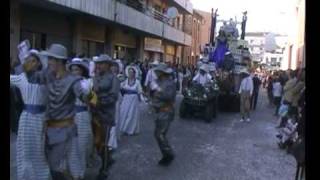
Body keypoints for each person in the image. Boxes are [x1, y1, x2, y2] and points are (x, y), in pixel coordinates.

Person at [24, 44, 94, 180]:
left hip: (66, 130)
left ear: (59, 61)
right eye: (49, 59)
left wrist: (89, 92)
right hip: (50, 130)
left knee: (67, 165)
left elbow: (91, 101)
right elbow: (32, 78)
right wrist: (26, 62)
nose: (49, 62)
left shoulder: (73, 80)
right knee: (53, 166)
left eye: (51, 59)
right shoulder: (48, 75)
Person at [10, 49, 51, 180]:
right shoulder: (22, 78)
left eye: (34, 61)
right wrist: (18, 66)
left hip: (40, 119)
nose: (31, 63)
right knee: (24, 151)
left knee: (39, 152)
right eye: (29, 60)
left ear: (39, 64)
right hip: (26, 118)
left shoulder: (46, 80)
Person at [91, 54, 120, 179]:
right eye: (98, 63)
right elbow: (91, 93)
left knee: (103, 142)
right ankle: (107, 158)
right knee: (96, 143)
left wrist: (99, 101)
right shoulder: (96, 77)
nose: (99, 65)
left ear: (108, 65)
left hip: (106, 115)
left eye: (102, 63)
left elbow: (113, 97)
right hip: (95, 114)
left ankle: (104, 170)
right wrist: (91, 100)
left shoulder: (114, 79)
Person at [67, 57, 93, 178]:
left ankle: (80, 173)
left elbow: (94, 100)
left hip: (83, 116)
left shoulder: (88, 82)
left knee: (82, 144)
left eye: (76, 69)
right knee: (70, 145)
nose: (74, 72)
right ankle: (72, 172)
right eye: (72, 70)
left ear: (82, 71)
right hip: (69, 116)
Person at [151, 63, 176, 166]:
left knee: (160, 134)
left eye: (158, 71)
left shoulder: (169, 83)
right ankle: (166, 154)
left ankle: (168, 154)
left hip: (165, 110)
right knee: (158, 134)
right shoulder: (158, 81)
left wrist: (158, 91)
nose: (156, 73)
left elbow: (168, 96)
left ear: (162, 73)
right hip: (159, 111)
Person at [119, 65, 143, 135]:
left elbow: (140, 91)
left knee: (131, 115)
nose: (130, 74)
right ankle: (123, 128)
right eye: (129, 72)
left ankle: (130, 130)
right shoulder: (125, 81)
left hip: (134, 100)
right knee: (123, 113)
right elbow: (120, 87)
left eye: (132, 72)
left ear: (134, 73)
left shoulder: (137, 82)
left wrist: (141, 98)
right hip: (126, 99)